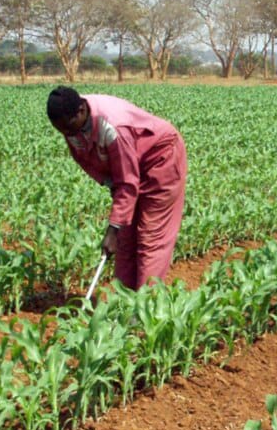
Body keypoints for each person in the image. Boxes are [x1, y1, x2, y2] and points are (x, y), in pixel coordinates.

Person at [46, 86, 187, 289]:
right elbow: (87, 160)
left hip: (160, 159)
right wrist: (110, 185)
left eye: (68, 129)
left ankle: (145, 308)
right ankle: (123, 301)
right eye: (62, 131)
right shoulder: (70, 122)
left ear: (81, 112)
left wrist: (111, 230)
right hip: (130, 165)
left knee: (150, 237)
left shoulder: (113, 128)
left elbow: (127, 183)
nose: (67, 135)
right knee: (126, 238)